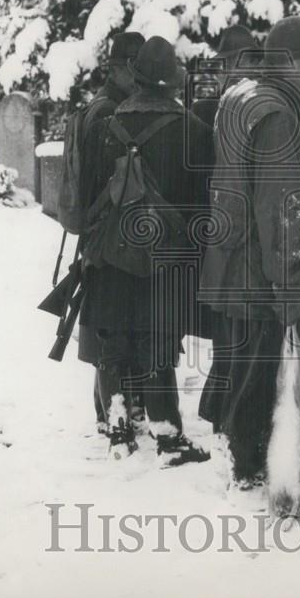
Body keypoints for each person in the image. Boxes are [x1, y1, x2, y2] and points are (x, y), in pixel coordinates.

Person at [198, 16, 300, 487]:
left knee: (241, 365)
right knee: (261, 372)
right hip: (259, 267)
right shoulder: (278, 114)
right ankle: (252, 469)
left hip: (233, 257)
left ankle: (243, 460)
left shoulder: (241, 95)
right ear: (293, 61)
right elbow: (281, 207)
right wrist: (290, 281)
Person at [80, 35, 215, 465]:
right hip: (166, 256)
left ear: (135, 78)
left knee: (113, 341)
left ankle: (119, 432)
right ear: (173, 84)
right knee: (158, 343)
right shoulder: (192, 130)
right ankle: (167, 435)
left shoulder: (104, 125)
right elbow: (202, 207)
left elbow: (87, 195)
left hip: (110, 253)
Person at [75, 32, 145, 426]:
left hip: (106, 235)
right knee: (111, 331)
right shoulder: (107, 113)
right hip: (108, 236)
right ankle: (113, 414)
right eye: (131, 67)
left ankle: (115, 409)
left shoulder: (109, 107)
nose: (137, 76)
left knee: (112, 326)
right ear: (116, 68)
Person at [190, 24, 258, 129]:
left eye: (241, 61)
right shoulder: (203, 110)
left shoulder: (265, 107)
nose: (233, 71)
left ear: (254, 64)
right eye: (227, 63)